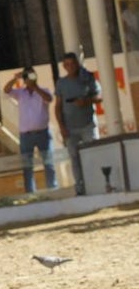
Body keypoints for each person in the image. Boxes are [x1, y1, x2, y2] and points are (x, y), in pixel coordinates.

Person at [54, 51, 102, 195]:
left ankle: (96, 184)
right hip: (70, 128)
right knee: (74, 158)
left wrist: (86, 101)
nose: (70, 67)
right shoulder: (61, 83)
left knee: (92, 155)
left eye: (72, 64)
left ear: (77, 64)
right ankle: (80, 187)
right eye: (67, 64)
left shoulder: (88, 78)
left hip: (88, 125)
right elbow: (58, 107)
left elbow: (99, 96)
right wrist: (62, 127)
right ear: (64, 66)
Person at [3, 67, 57, 192]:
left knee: (48, 162)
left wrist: (35, 87)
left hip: (43, 133)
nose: (30, 79)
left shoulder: (43, 90)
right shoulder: (20, 93)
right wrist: (15, 78)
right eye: (27, 76)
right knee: (27, 165)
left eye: (32, 76)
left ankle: (52, 188)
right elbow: (6, 90)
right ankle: (30, 192)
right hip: (26, 135)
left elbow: (49, 99)